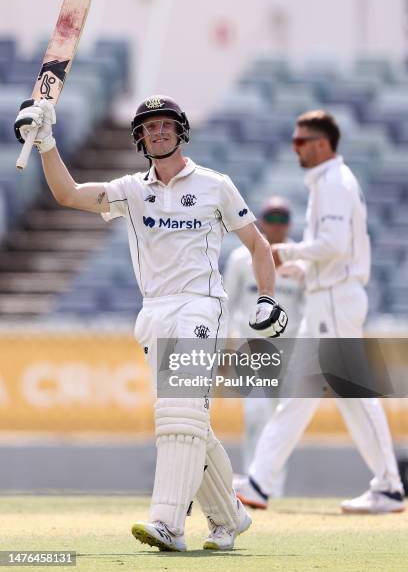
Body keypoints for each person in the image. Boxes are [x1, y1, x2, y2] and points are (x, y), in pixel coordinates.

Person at [14, 95, 288, 551]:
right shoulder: (131, 190)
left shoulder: (215, 185)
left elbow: (258, 246)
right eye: (148, 127)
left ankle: (168, 524)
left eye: (165, 125)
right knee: (188, 424)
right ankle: (229, 517)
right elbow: (67, 194)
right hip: (154, 311)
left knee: (179, 414)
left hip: (201, 306)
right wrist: (45, 142)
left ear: (180, 131)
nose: (157, 132)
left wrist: (266, 300)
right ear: (139, 138)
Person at [234, 110, 405, 514]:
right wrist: (301, 268)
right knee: (299, 395)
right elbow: (331, 250)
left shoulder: (333, 183)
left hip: (334, 299)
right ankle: (259, 481)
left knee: (355, 395)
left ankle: (390, 486)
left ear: (323, 143)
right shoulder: (327, 183)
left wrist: (286, 252)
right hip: (327, 295)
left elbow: (333, 246)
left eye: (301, 141)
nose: (296, 148)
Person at [223, 197, 304, 494]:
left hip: (289, 349)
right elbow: (227, 305)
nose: (277, 225)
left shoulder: (300, 261)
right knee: (256, 414)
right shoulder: (241, 259)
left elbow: (308, 310)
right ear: (260, 221)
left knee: (279, 420)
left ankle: (272, 490)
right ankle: (254, 483)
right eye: (272, 218)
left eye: (283, 219)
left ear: (290, 224)